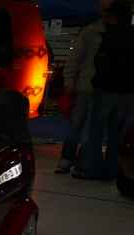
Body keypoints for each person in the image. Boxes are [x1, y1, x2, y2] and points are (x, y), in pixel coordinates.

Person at [74, 0, 134, 180]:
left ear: (114, 16)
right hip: (127, 93)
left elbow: (101, 63)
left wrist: (95, 81)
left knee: (96, 132)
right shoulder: (131, 35)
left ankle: (94, 169)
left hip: (106, 90)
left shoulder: (109, 35)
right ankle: (111, 170)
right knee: (117, 134)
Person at [56, 0, 113, 174]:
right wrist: (69, 81)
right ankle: (75, 160)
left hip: (91, 86)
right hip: (91, 87)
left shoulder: (92, 32)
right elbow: (75, 60)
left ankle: (72, 159)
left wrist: (69, 81)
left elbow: (74, 60)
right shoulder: (91, 32)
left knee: (82, 125)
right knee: (83, 125)